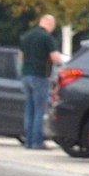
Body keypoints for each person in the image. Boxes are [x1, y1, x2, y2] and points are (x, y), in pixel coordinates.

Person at [18, 13, 60, 150]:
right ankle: (37, 142)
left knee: (29, 109)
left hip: (26, 75)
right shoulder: (46, 37)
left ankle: (28, 141)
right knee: (39, 110)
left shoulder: (27, 36)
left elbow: (21, 56)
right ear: (50, 24)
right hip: (40, 75)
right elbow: (55, 58)